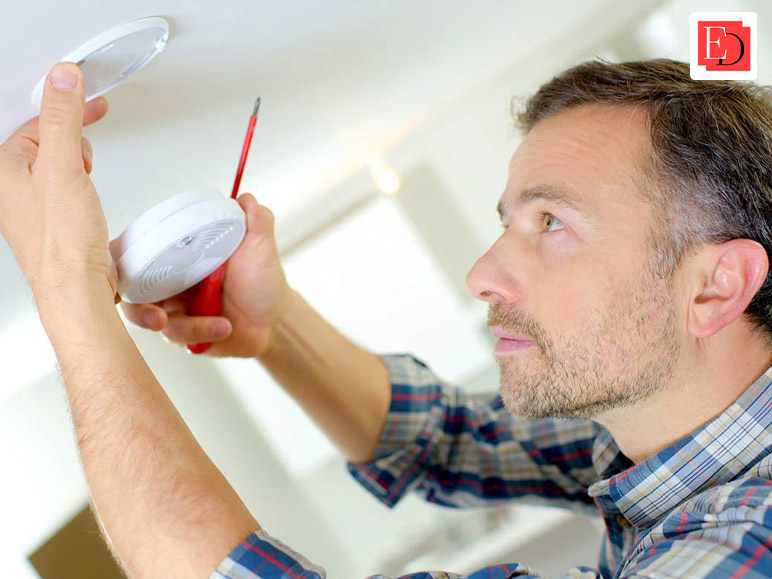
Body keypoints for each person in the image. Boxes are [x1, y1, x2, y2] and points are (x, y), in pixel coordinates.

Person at [3, 57, 772, 578]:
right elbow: (448, 439)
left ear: (715, 287)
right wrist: (276, 330)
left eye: (552, 225)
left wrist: (71, 294)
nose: (483, 273)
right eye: (509, 222)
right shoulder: (663, 424)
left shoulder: (748, 541)